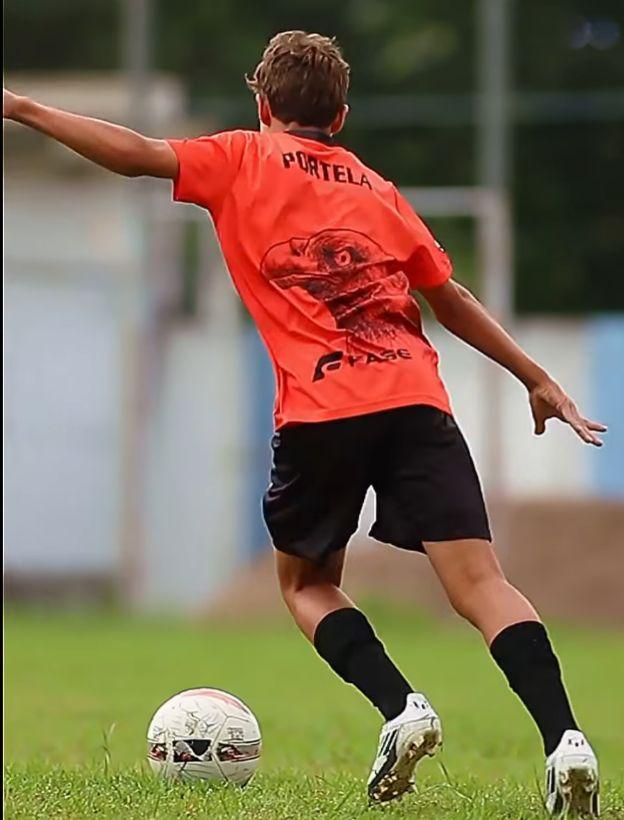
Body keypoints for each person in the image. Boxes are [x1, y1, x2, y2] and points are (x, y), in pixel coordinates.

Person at [4, 29, 605, 817]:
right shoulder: (378, 189)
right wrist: (537, 377)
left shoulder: (240, 158)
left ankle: (401, 707)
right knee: (484, 583)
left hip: (323, 407)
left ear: (262, 104)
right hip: (418, 401)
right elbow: (448, 300)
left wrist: (19, 107)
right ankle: (566, 740)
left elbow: (133, 152)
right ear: (342, 116)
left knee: (306, 583)